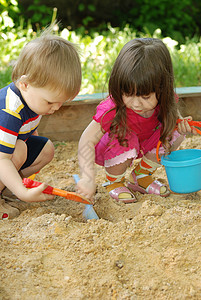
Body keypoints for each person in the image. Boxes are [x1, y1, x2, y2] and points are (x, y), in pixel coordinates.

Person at [77, 38, 197, 203]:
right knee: (125, 137)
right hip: (116, 146)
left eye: (145, 97)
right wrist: (87, 177)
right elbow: (86, 140)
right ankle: (114, 182)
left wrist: (182, 126)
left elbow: (175, 119)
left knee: (173, 130)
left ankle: (141, 176)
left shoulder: (165, 101)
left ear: (162, 88)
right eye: (128, 94)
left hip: (145, 143)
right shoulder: (112, 109)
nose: (135, 103)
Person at [0, 27, 82, 219]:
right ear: (25, 84)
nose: (56, 108)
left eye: (61, 102)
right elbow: (2, 160)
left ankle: (9, 187)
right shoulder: (9, 111)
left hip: (7, 153)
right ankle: (11, 190)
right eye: (50, 102)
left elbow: (29, 131)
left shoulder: (34, 99)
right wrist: (23, 193)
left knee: (45, 148)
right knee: (18, 150)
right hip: (1, 157)